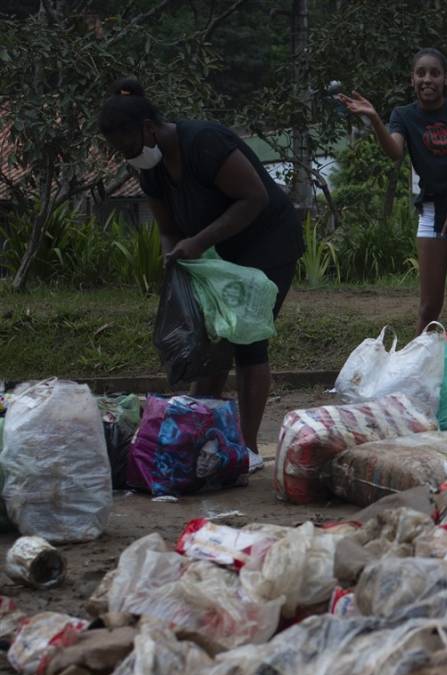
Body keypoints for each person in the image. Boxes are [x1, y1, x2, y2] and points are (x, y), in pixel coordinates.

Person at [98, 79, 303, 472]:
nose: (129, 156)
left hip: (268, 243)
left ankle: (246, 449)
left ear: (148, 128)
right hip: (218, 256)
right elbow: (168, 229)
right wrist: (174, 258)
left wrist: (198, 242)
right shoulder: (152, 171)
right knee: (207, 343)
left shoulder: (204, 143)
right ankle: (194, 436)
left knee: (247, 340)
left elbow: (254, 197)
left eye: (130, 147)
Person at [338, 48, 447, 332]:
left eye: (435, 73)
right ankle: (420, 360)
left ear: (445, 79)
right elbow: (394, 152)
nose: (427, 79)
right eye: (421, 73)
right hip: (432, 210)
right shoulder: (403, 115)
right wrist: (375, 119)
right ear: (412, 79)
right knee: (429, 307)